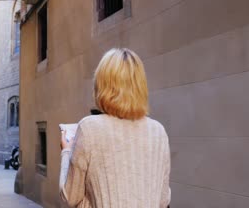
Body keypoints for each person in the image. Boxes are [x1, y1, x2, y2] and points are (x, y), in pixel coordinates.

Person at [59, 48, 171, 208]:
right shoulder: (158, 132)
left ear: (101, 85)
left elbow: (70, 197)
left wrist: (67, 151)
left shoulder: (89, 128)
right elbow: (163, 200)